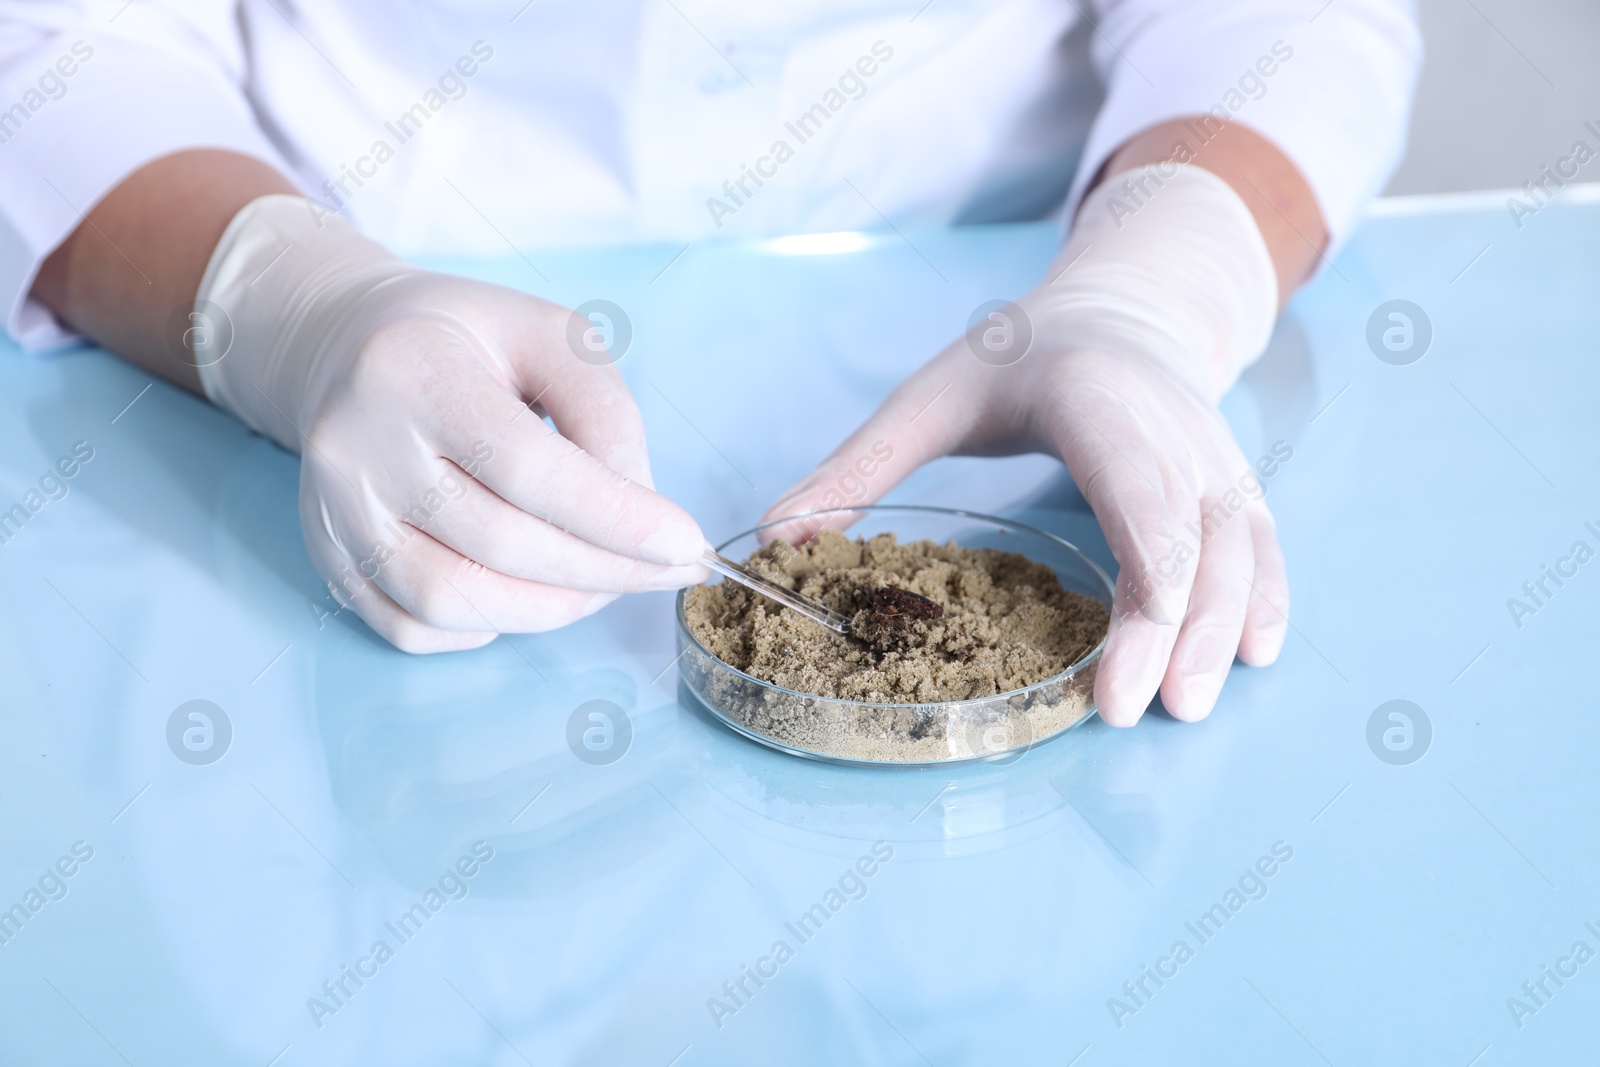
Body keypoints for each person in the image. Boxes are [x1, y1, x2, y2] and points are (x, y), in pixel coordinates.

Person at [0, 1, 1419, 725]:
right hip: (359, 280)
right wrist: (291, 311)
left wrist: (1148, 294)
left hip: (986, 261)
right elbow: (61, 39)